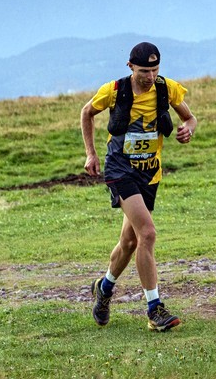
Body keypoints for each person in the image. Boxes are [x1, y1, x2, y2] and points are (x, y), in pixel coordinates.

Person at [81, 41, 197, 331]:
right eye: (145, 70)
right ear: (130, 66)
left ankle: (104, 288)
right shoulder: (115, 90)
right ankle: (154, 310)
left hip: (150, 175)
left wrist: (188, 130)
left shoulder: (166, 88)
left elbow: (190, 118)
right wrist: (91, 154)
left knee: (130, 242)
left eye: (155, 69)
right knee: (148, 233)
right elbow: (86, 113)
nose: (150, 75)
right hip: (120, 170)